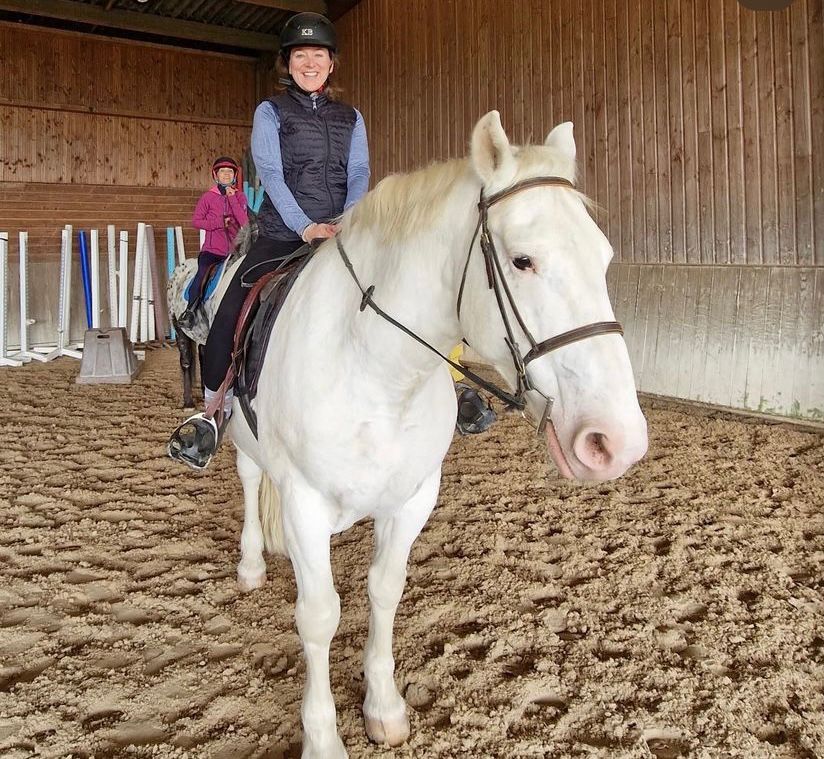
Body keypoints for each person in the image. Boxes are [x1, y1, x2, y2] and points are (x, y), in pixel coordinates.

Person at [168, 11, 370, 469]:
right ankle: (212, 415)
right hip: (283, 235)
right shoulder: (271, 112)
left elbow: (358, 171)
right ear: (288, 63)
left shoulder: (350, 118)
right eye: (301, 55)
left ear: (332, 63)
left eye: (318, 54)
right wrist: (304, 226)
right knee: (229, 314)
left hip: (343, 230)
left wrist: (350, 218)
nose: (310, 63)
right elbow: (272, 175)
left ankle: (447, 383)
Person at [178, 157, 249, 331]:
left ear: (234, 176)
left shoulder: (239, 197)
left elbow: (244, 222)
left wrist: (232, 199)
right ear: (216, 176)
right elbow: (196, 222)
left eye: (230, 172)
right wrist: (218, 222)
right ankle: (190, 311)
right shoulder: (208, 197)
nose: (226, 174)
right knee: (202, 273)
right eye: (222, 172)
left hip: (234, 251)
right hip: (212, 251)